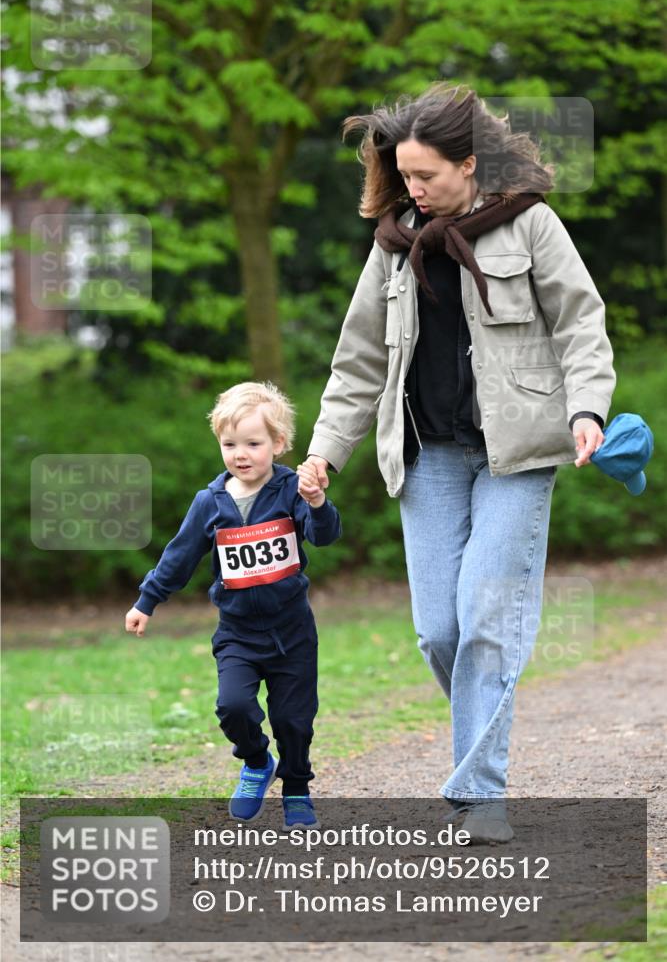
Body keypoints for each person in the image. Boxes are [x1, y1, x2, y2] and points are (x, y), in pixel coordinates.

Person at [298, 83, 615, 843]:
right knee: (441, 631)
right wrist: (322, 453)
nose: (411, 189)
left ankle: (479, 794)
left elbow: (580, 324)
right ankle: (486, 706)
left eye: (424, 176)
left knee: (485, 623)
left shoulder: (531, 224)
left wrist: (586, 409)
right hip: (426, 456)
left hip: (516, 454)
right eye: (403, 176)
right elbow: (358, 361)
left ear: (468, 165)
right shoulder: (393, 245)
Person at [125, 381, 341, 831]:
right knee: (233, 706)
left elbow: (323, 535)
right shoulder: (211, 502)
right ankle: (257, 762)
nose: (240, 453)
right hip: (238, 632)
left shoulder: (290, 491)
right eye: (229, 444)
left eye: (253, 443)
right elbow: (179, 556)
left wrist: (317, 502)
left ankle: (297, 788)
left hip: (292, 630)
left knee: (293, 719)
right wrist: (148, 600)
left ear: (279, 444)